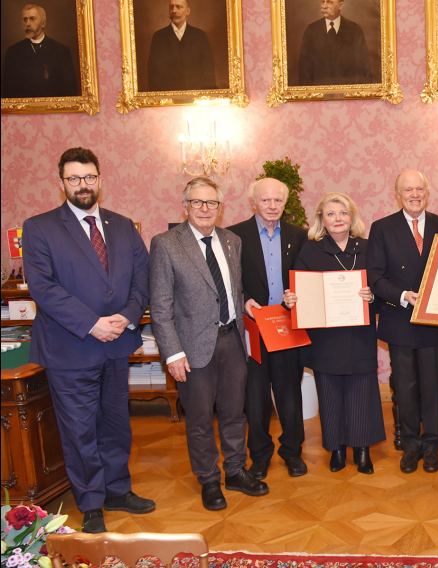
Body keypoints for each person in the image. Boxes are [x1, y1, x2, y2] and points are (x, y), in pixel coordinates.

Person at [21, 147, 155, 534]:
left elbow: (141, 279)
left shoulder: (123, 224)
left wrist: (128, 316)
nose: (83, 185)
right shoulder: (40, 227)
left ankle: (117, 489)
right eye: (75, 178)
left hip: (116, 344)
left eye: (90, 177)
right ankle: (91, 500)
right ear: (61, 182)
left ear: (100, 179)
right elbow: (44, 289)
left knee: (115, 424)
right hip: (71, 346)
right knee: (80, 427)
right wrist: (92, 323)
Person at [149, 177, 268, 511]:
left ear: (220, 207)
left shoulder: (231, 240)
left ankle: (234, 471)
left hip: (232, 341)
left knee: (234, 413)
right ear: (185, 206)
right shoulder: (166, 244)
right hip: (192, 349)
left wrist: (243, 305)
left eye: (211, 203)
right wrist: (172, 352)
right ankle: (209, 480)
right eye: (197, 203)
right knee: (200, 419)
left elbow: (232, 289)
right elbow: (160, 306)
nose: (204, 209)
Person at [366, 170, 438, 474]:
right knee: (405, 388)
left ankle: (432, 445)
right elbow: (375, 276)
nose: (414, 194)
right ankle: (410, 445)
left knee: (432, 387)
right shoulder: (382, 228)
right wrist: (404, 294)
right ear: (398, 194)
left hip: (434, 322)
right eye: (408, 190)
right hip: (400, 319)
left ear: (427, 192)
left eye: (419, 189)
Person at [289, 193, 385, 474]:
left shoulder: (369, 248)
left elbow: (382, 285)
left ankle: (363, 450)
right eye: (330, 214)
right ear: (321, 219)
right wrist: (294, 299)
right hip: (325, 337)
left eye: (342, 213)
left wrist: (372, 297)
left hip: (359, 333)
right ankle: (338, 449)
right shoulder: (310, 251)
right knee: (329, 392)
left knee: (361, 391)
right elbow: (300, 291)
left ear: (352, 216)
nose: (337, 219)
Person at [228, 178, 308, 479]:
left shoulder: (298, 235)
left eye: (278, 200)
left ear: (284, 203)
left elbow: (306, 275)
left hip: (287, 327)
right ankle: (259, 456)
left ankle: (292, 452)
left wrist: (297, 295)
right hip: (253, 329)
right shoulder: (234, 236)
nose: (272, 206)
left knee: (289, 394)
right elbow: (229, 281)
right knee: (256, 396)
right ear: (254, 202)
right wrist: (245, 300)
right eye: (266, 200)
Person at [2, 4, 78, 98]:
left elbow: (70, 92)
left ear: (43, 23)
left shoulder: (62, 51)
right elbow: (8, 94)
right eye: (25, 19)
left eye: (32, 19)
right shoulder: (12, 52)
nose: (28, 23)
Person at [297, 0, 372, 86]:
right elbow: (304, 71)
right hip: (319, 94)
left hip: (347, 94)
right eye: (322, 1)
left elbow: (363, 69)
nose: (324, 6)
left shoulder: (355, 31)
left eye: (329, 2)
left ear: (341, 5)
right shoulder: (311, 30)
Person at [147, 0, 217, 91]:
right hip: (167, 99)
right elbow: (153, 74)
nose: (174, 11)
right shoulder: (158, 37)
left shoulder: (200, 36)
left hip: (194, 99)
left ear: (188, 11)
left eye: (178, 7)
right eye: (171, 7)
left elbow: (208, 72)